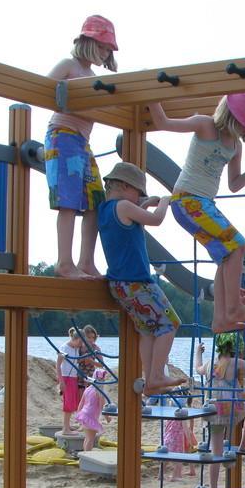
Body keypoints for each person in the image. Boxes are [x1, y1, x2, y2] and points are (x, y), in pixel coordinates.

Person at [148, 94, 245, 332]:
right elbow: (163, 123)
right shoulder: (204, 124)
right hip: (187, 201)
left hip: (203, 205)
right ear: (232, 117)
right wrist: (151, 94)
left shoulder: (235, 145)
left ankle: (221, 319)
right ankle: (234, 309)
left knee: (227, 254)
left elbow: (234, 184)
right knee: (238, 245)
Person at [98, 161, 185, 395]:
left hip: (118, 284)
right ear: (126, 186)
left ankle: (151, 378)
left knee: (148, 329)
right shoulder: (125, 206)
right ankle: (156, 375)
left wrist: (144, 203)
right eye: (139, 193)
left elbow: (130, 218)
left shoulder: (105, 210)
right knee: (170, 323)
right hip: (137, 282)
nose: (139, 198)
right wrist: (164, 203)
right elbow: (156, 220)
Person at [45, 15, 118, 279]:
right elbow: (41, 88)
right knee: (68, 200)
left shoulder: (92, 77)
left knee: (95, 200)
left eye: (108, 50)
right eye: (103, 47)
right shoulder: (70, 66)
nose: (105, 53)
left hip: (82, 142)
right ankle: (64, 262)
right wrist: (67, 98)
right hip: (62, 135)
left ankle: (86, 261)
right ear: (88, 42)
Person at [195, 335, 245, 488]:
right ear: (236, 349)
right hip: (230, 410)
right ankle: (244, 443)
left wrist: (198, 351)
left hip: (212, 412)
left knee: (216, 453)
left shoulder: (209, 363)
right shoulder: (234, 362)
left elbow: (197, 367)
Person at [56, 327, 84, 434]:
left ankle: (68, 425)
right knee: (68, 403)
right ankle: (65, 429)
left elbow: (75, 361)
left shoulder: (76, 349)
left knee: (73, 402)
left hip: (73, 377)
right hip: (66, 377)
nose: (81, 344)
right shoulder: (64, 348)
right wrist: (61, 381)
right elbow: (58, 366)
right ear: (75, 339)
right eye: (80, 342)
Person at [163, 394, 198, 481]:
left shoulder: (170, 415)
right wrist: (190, 440)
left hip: (168, 437)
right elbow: (186, 428)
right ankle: (176, 475)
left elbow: (166, 427)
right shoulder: (182, 416)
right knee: (179, 457)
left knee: (166, 457)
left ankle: (161, 475)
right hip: (178, 438)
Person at [74, 368, 109, 452]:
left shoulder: (88, 389)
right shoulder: (99, 393)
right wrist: (107, 418)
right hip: (90, 417)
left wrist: (78, 414)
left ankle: (84, 454)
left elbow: (81, 403)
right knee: (90, 439)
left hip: (84, 414)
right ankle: (87, 455)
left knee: (87, 438)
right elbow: (102, 407)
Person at [76, 324, 103, 391]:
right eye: (89, 337)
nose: (91, 340)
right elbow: (74, 361)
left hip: (91, 376)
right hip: (79, 376)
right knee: (80, 398)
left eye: (93, 337)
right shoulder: (79, 347)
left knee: (89, 398)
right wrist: (83, 358)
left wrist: (91, 361)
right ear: (83, 337)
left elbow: (101, 364)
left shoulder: (96, 348)